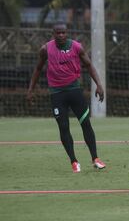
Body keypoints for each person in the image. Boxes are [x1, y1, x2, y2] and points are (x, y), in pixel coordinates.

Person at [27, 23, 106, 173]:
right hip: (57, 94)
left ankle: (95, 158)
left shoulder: (76, 47)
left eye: (64, 32)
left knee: (86, 123)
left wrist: (99, 85)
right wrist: (31, 90)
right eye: (58, 33)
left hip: (75, 91)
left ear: (67, 33)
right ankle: (74, 161)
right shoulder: (45, 49)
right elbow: (38, 69)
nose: (61, 35)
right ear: (53, 34)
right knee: (63, 127)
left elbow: (89, 65)